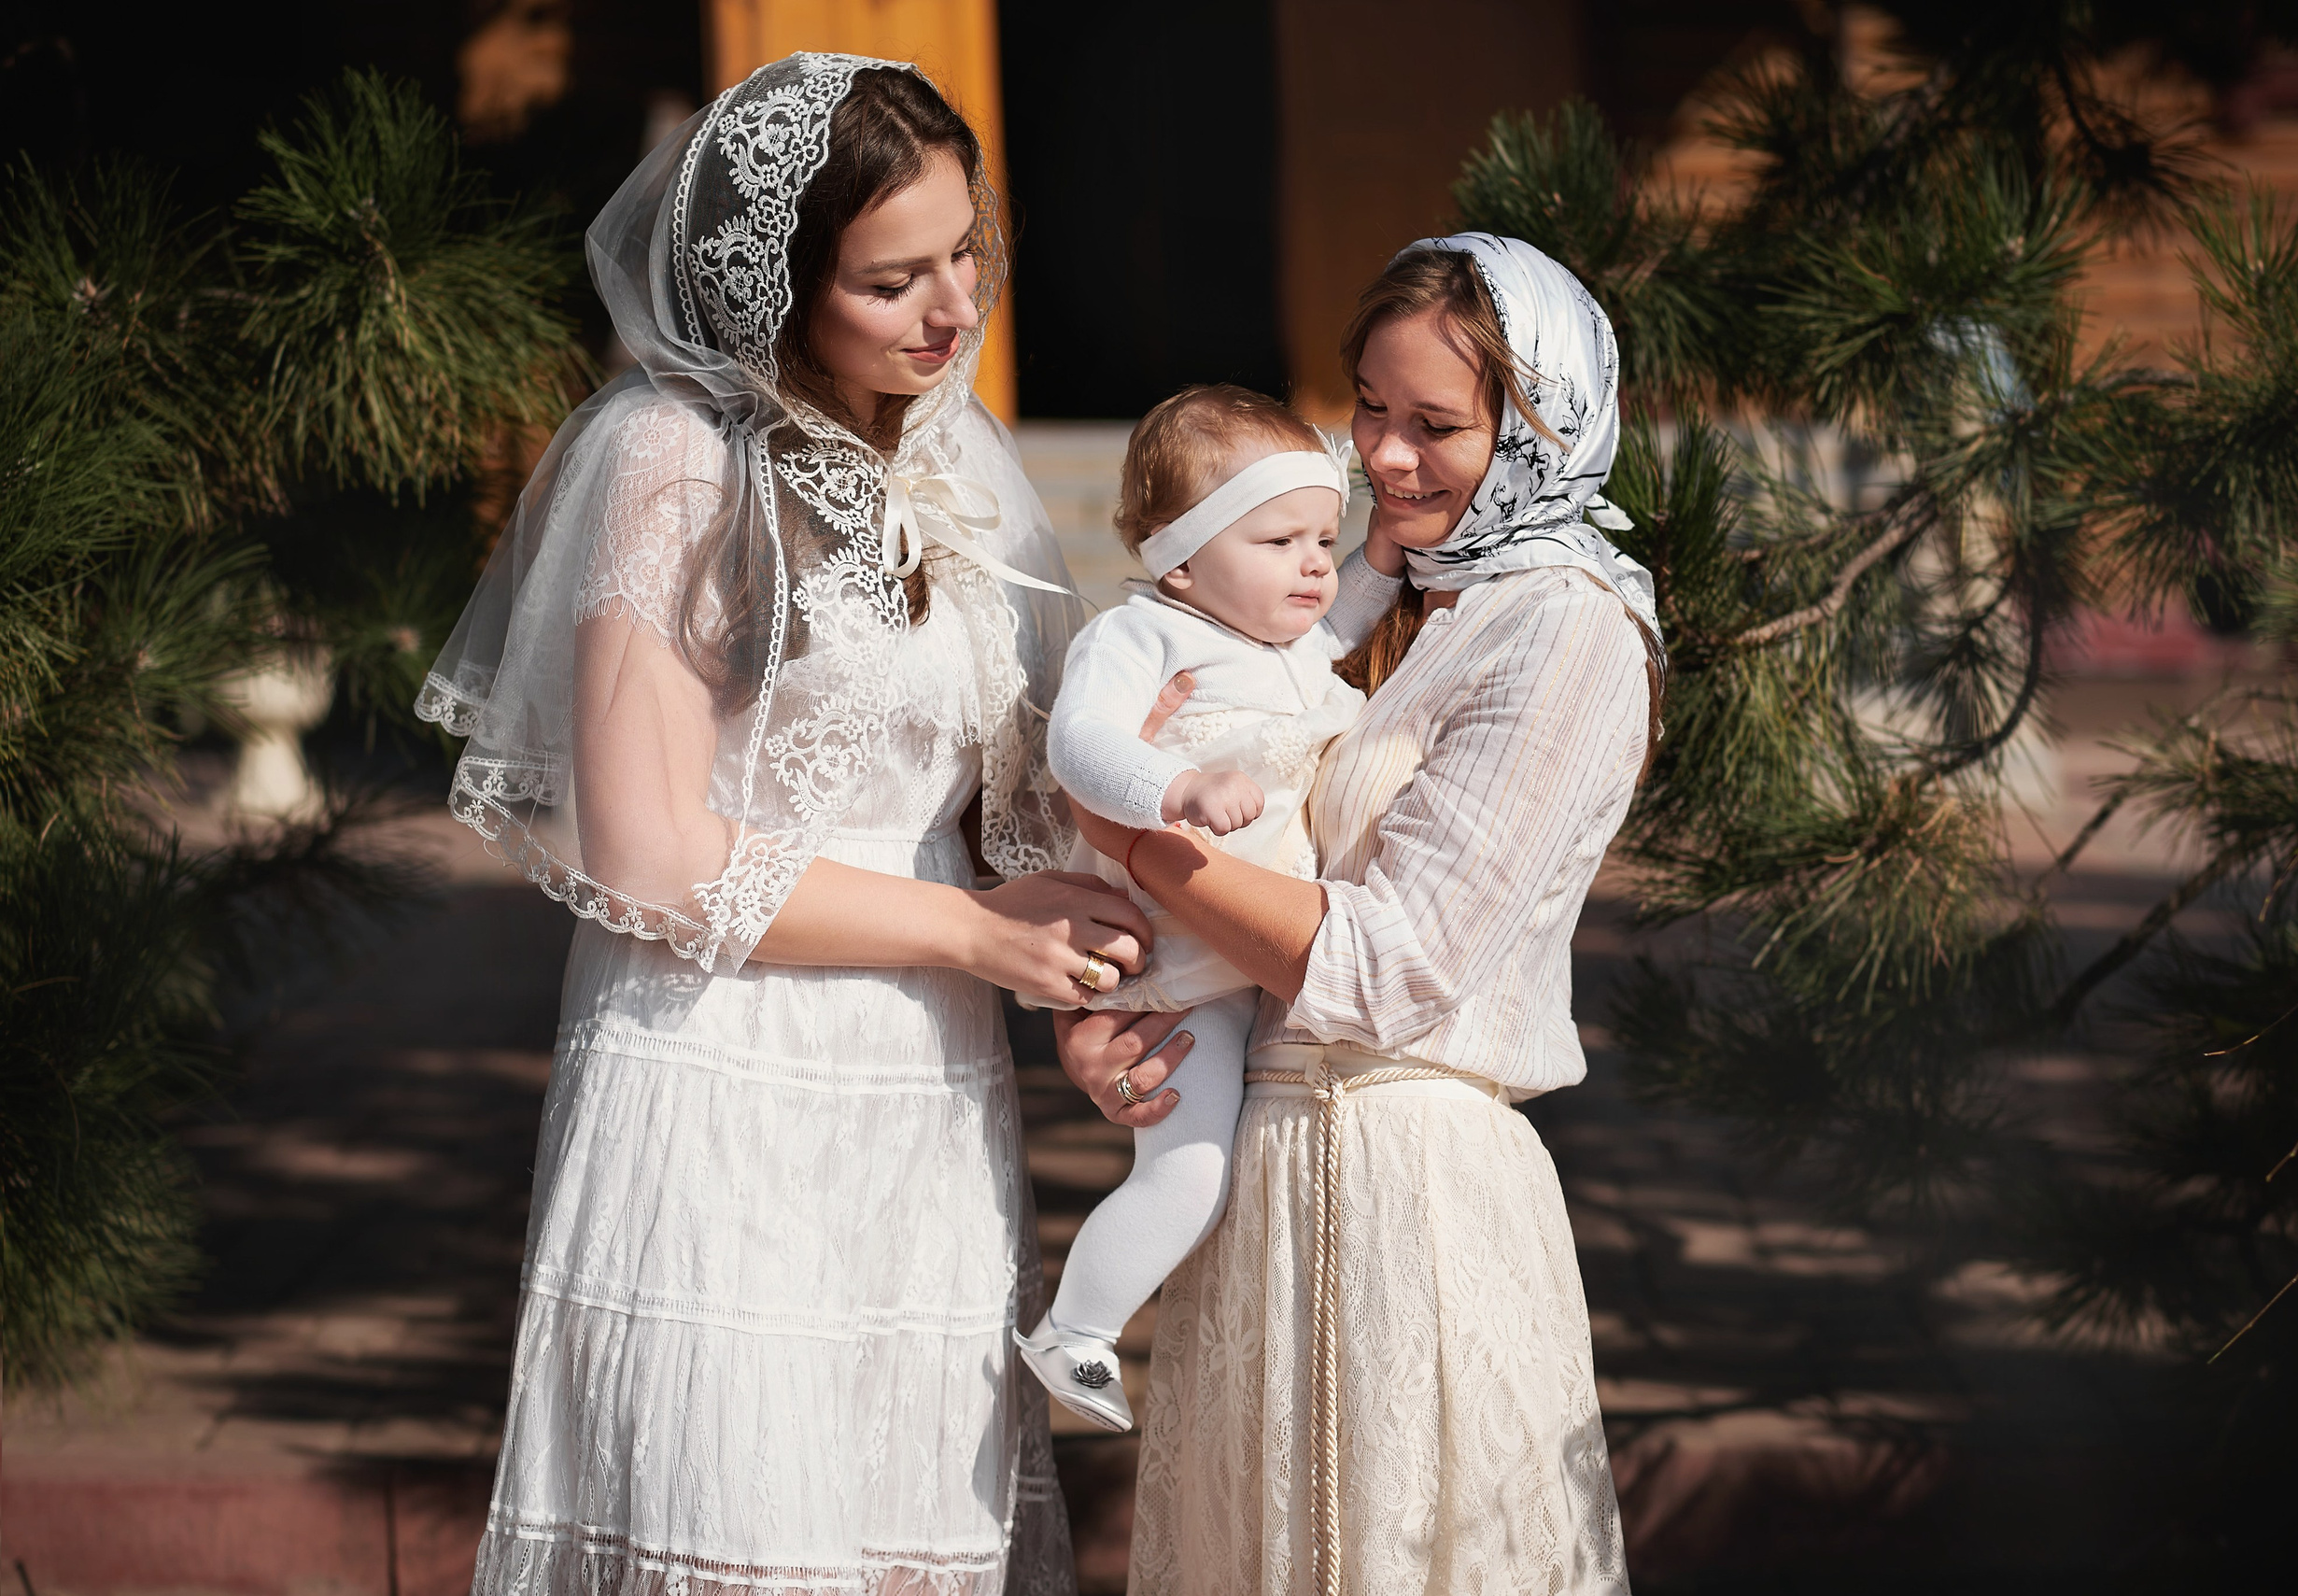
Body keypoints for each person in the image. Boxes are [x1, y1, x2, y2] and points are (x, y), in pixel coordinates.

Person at [416, 53, 1137, 1596]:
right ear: (771, 287)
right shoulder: (670, 461)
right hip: (726, 1065)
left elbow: (1008, 803)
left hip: (927, 1089)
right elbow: (645, 850)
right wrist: (966, 930)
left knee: (903, 1530)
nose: (954, 309)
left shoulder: (946, 453)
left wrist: (1096, 957)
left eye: (967, 252)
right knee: (745, 1525)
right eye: (894, 281)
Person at [1056, 233, 1663, 1595]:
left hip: (1408, 1200)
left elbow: (1390, 967)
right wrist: (1121, 1026)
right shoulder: (1399, 609)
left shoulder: (1560, 630)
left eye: (1435, 423)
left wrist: (1137, 843)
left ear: (1541, 428)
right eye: (1370, 408)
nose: (1382, 457)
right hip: (1265, 1188)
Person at [1013, 387, 1402, 1431]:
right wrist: (1168, 790)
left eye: (1324, 535)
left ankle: (1085, 1325)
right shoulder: (1142, 633)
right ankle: (1078, 1329)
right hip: (1181, 971)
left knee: (1211, 1175)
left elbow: (1357, 604)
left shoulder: (1291, 650)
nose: (1317, 562)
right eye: (1279, 538)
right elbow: (1081, 742)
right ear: (1181, 560)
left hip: (1249, 965)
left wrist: (1389, 548)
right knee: (1190, 1172)